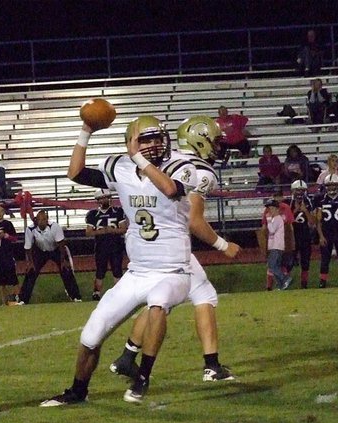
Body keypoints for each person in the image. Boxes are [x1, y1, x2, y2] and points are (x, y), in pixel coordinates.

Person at [41, 115, 198, 407]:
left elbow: (170, 189)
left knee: (159, 303)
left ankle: (143, 377)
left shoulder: (181, 165)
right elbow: (75, 173)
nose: (153, 145)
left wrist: (138, 158)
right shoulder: (120, 166)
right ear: (130, 143)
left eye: (156, 138)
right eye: (145, 139)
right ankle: (78, 391)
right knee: (91, 334)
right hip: (137, 272)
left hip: (173, 270)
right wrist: (85, 131)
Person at [109, 115, 241, 383]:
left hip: (148, 242)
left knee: (161, 302)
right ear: (200, 140)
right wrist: (223, 245)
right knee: (202, 293)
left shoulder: (171, 159)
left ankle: (126, 356)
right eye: (214, 141)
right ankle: (211, 365)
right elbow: (193, 219)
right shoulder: (198, 170)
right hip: (168, 246)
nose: (218, 147)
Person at [18, 209, 82, 304]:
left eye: (44, 219)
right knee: (31, 272)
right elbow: (28, 247)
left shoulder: (54, 227)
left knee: (66, 270)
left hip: (56, 249)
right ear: (36, 220)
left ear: (47, 219)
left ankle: (75, 296)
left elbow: (61, 244)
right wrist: (30, 263)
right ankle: (23, 299)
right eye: (39, 220)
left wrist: (63, 261)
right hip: (40, 251)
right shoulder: (30, 229)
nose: (41, 222)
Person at [85, 189, 127, 301]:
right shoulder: (93, 214)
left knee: (117, 270)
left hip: (115, 246)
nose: (106, 200)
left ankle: (119, 292)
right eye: (103, 198)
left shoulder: (118, 211)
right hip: (101, 246)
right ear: (98, 200)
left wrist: (111, 230)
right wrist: (102, 231)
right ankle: (97, 293)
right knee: (100, 271)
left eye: (107, 197)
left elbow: (123, 229)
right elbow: (88, 232)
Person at [288, 180, 315, 289]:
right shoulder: (288, 202)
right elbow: (285, 221)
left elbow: (312, 222)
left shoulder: (309, 202)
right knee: (288, 261)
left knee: (305, 261)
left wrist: (305, 211)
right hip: (292, 235)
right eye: (297, 190)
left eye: (302, 190)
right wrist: (295, 211)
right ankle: (285, 282)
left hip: (305, 234)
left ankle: (304, 284)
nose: (299, 192)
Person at [264, 199, 290, 290]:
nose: (269, 211)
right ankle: (281, 285)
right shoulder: (276, 219)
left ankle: (285, 279)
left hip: (276, 246)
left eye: (271, 208)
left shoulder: (277, 218)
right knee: (276, 265)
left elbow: (271, 230)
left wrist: (268, 219)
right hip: (275, 246)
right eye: (268, 209)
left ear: (276, 209)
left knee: (272, 266)